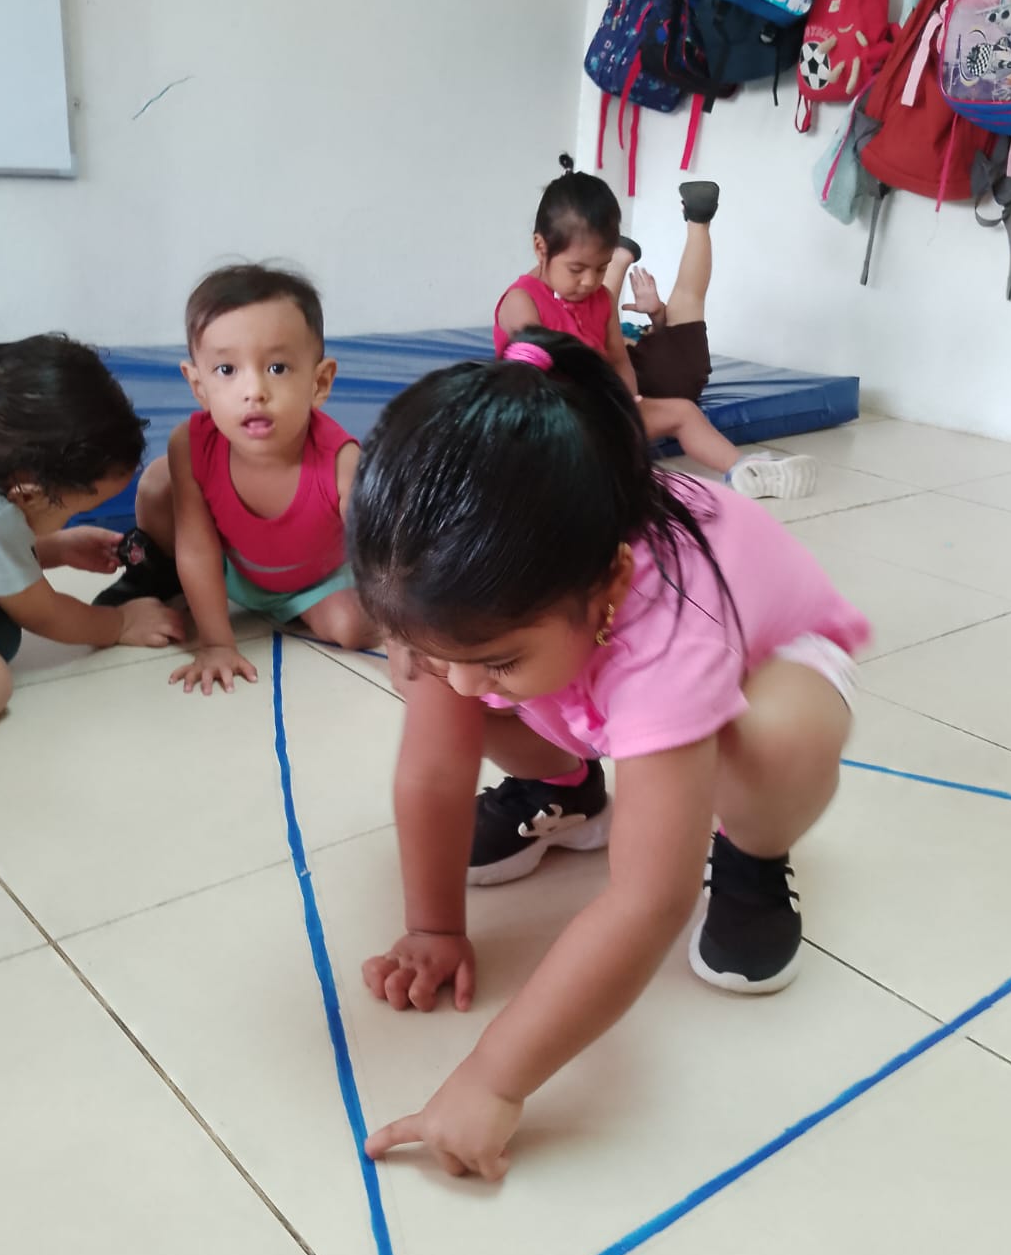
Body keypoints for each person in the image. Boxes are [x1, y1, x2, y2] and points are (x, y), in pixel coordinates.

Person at [353, 331, 869, 1181]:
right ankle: (566, 788)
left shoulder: (669, 632)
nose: (459, 681)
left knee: (777, 738)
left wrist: (495, 1080)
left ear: (613, 587)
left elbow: (649, 899)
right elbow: (435, 767)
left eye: (495, 657)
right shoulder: (464, 598)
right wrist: (433, 927)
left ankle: (753, 854)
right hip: (577, 664)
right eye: (432, 645)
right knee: (448, 679)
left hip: (767, 674)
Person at [99, 264, 377, 694]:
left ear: (319, 382)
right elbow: (196, 546)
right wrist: (216, 643)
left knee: (352, 627)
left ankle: (293, 607)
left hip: (313, 581)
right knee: (156, 483)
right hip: (231, 567)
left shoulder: (342, 462)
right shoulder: (190, 445)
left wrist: (413, 632)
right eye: (227, 370)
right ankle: (161, 575)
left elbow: (382, 556)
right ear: (198, 385)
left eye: (278, 368)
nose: (254, 391)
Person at [495, 157, 813, 498]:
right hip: (546, 426)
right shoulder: (522, 302)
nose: (589, 281)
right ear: (540, 247)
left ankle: (746, 470)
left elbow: (619, 358)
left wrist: (626, 402)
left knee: (684, 412)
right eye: (576, 269)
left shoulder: (601, 299)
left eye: (601, 268)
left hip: (600, 415)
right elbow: (530, 385)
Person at [0, 335, 183, 746]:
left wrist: (56, 547)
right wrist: (119, 623)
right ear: (28, 494)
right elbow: (44, 613)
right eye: (72, 510)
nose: (68, 520)